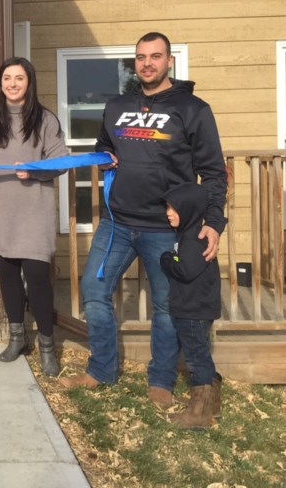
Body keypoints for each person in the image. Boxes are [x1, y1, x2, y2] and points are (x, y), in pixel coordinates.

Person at [60, 33, 227, 409]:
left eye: (155, 56)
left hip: (166, 228)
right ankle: (101, 370)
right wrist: (104, 155)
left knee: (166, 306)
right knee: (94, 291)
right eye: (140, 57)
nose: (147, 63)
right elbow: (105, 145)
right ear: (133, 63)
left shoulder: (193, 109)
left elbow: (214, 172)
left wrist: (213, 222)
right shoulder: (117, 106)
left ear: (169, 61)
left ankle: (161, 380)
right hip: (117, 223)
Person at [0, 57, 68, 375]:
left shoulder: (45, 120)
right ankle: (17, 337)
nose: (12, 83)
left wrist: (35, 172)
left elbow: (61, 162)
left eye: (19, 78)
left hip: (33, 213)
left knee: (38, 278)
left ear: (30, 82)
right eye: (7, 78)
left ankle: (47, 346)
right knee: (7, 277)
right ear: (0, 83)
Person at [160, 183, 224, 428]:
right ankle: (212, 406)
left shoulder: (193, 240)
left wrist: (166, 259)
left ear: (188, 209)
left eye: (173, 208)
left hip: (194, 310)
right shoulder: (188, 235)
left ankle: (199, 414)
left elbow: (185, 271)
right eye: (167, 207)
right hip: (193, 307)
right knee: (200, 355)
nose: (168, 212)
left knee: (197, 360)